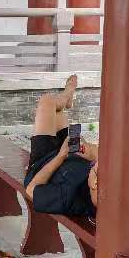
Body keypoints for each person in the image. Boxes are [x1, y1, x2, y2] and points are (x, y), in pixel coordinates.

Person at [24, 75, 98, 217]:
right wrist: (90, 152)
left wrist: (61, 156)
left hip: (44, 161)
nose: (94, 165)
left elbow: (31, 190)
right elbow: (98, 155)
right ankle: (66, 100)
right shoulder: (104, 185)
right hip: (71, 155)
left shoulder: (67, 197)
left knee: (47, 102)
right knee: (58, 114)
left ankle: (67, 95)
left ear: (94, 182)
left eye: (94, 166)